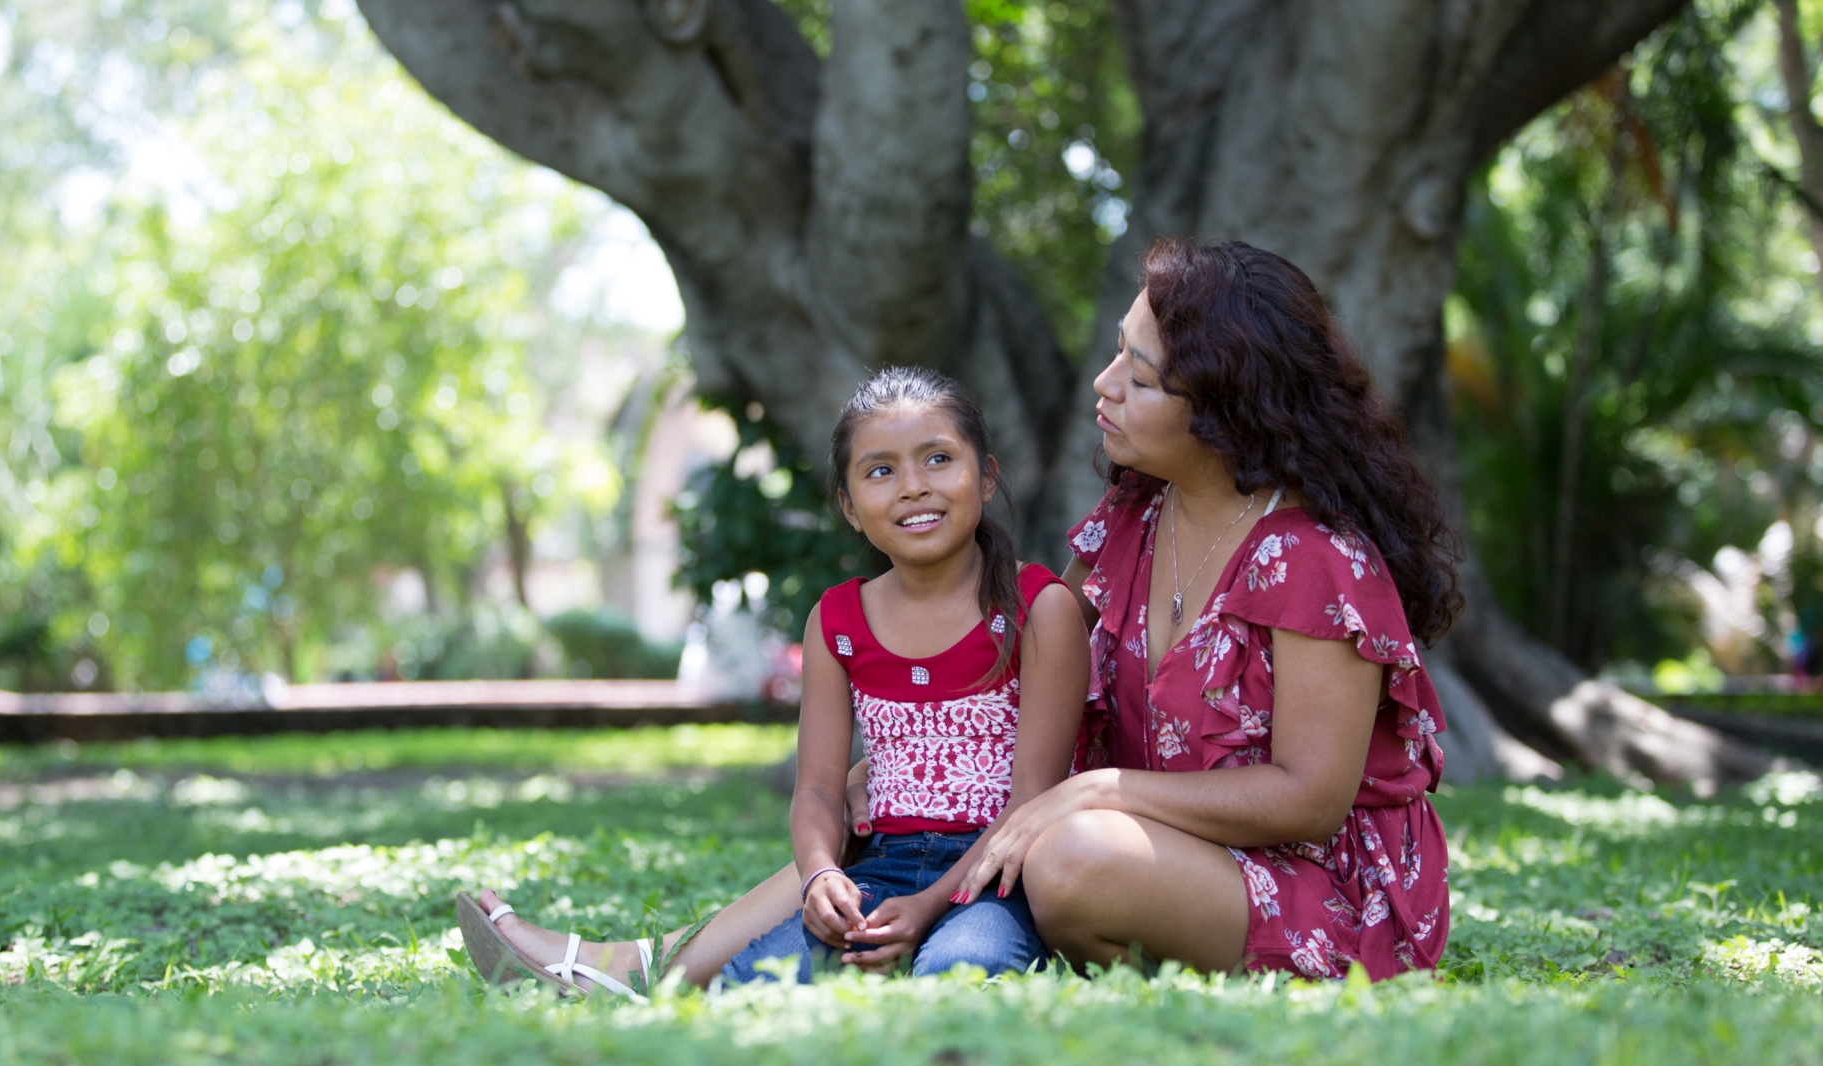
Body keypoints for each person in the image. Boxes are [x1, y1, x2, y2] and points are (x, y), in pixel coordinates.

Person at [455, 366, 1088, 995]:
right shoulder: (837, 621)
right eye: (880, 471)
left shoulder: (1038, 609)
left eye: (938, 459)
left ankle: (913, 955)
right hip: (881, 869)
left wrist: (927, 907)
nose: (913, 487)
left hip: (994, 877)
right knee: (748, 986)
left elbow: (1030, 801)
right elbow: (817, 788)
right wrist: (818, 878)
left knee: (958, 974)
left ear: (986, 476)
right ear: (847, 504)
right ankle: (630, 972)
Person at [959, 238, 1464, 980]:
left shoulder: (1313, 558)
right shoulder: (1134, 516)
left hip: (1325, 886)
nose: (1103, 385)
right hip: (1166, 847)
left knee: (1070, 859)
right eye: (1114, 355)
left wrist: (1098, 789)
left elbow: (1308, 800)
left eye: (1139, 376)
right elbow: (1035, 672)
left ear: (1227, 409)